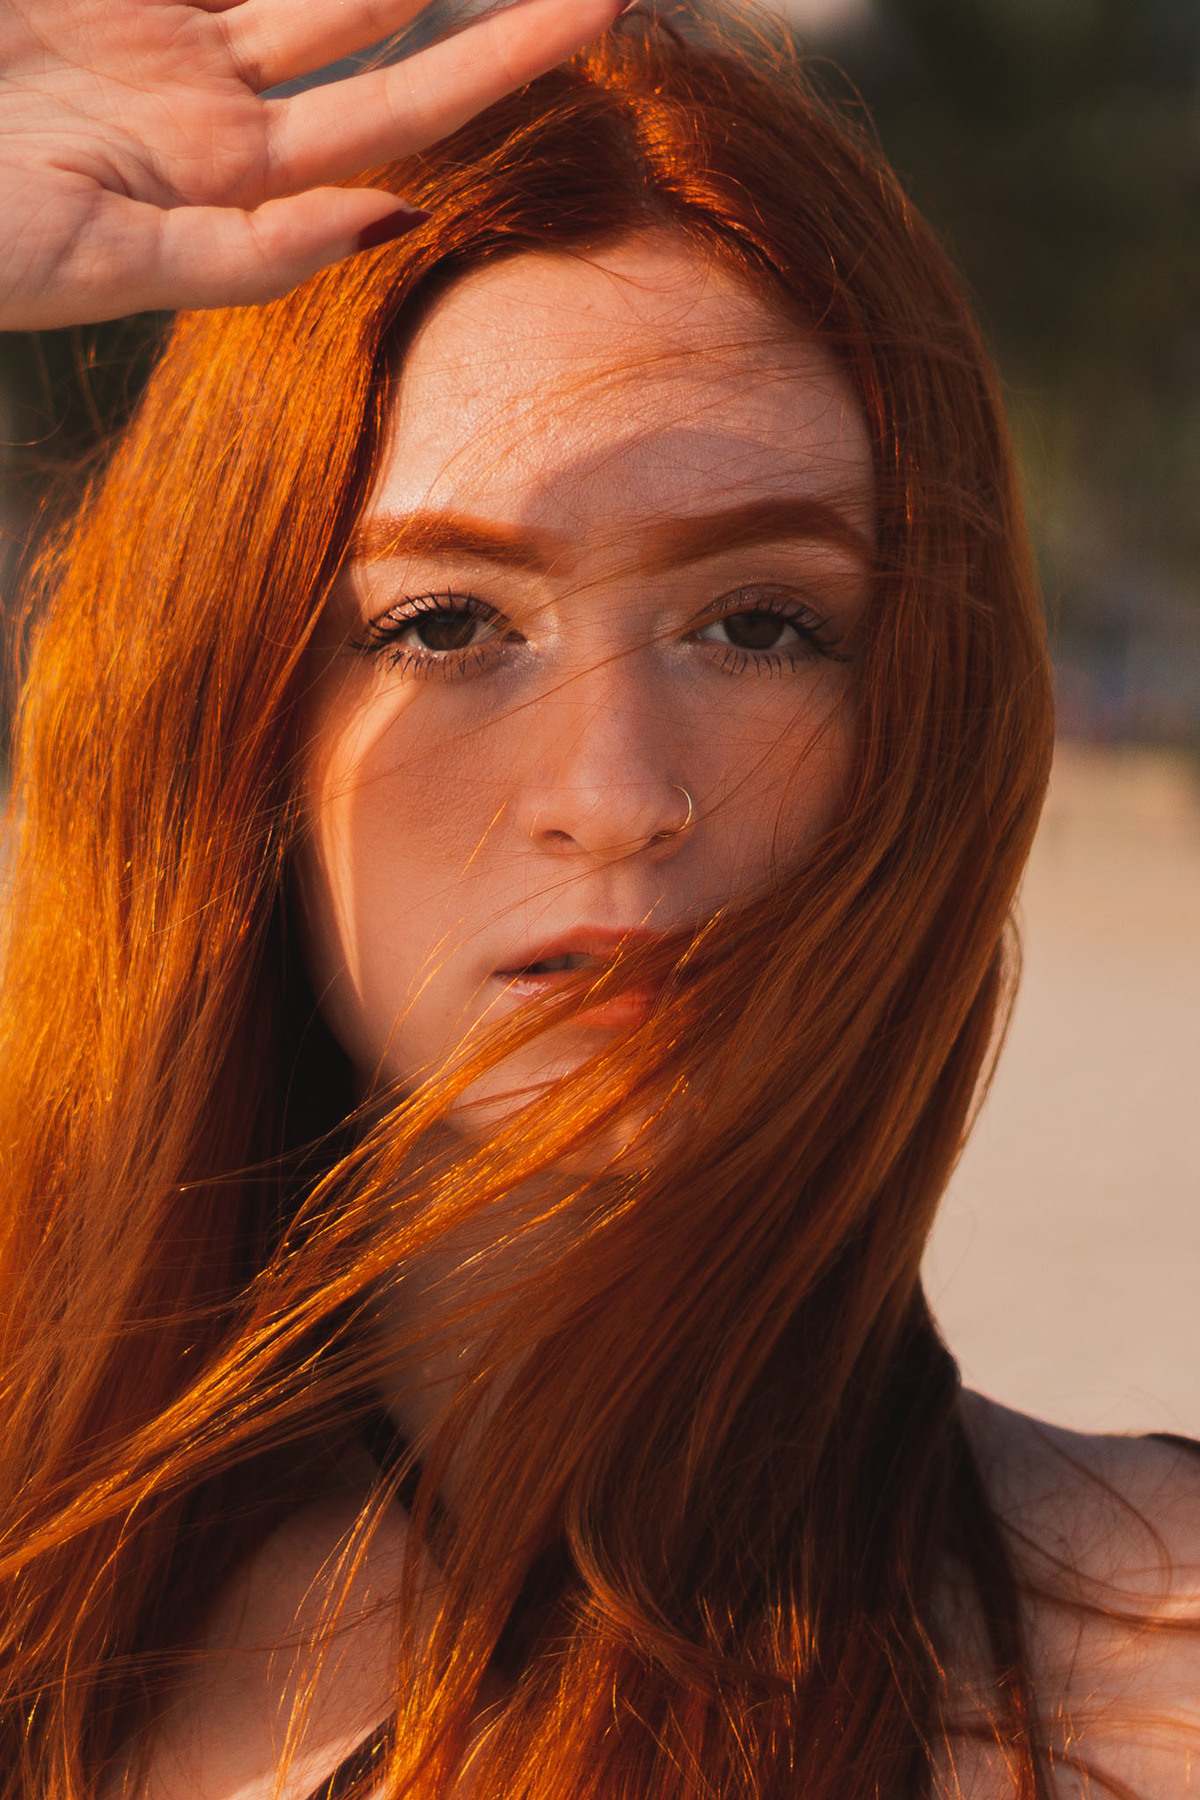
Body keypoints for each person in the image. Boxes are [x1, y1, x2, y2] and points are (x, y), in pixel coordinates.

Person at [0, 2, 1197, 1796]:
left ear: (929, 719)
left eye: (762, 625)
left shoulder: (1145, 1672)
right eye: (448, 624)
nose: (618, 798)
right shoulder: (46, 1612)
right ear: (228, 716)